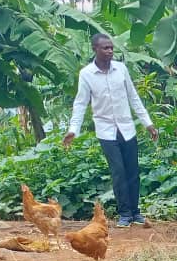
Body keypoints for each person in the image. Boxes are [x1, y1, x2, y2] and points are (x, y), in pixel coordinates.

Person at [64, 33, 159, 228]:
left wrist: (147, 123)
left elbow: (133, 97)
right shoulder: (87, 74)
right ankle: (124, 213)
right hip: (106, 131)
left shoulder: (121, 69)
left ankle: (136, 212)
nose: (110, 51)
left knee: (133, 171)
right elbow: (81, 103)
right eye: (105, 48)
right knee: (118, 172)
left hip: (127, 128)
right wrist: (73, 129)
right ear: (95, 50)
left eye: (111, 48)